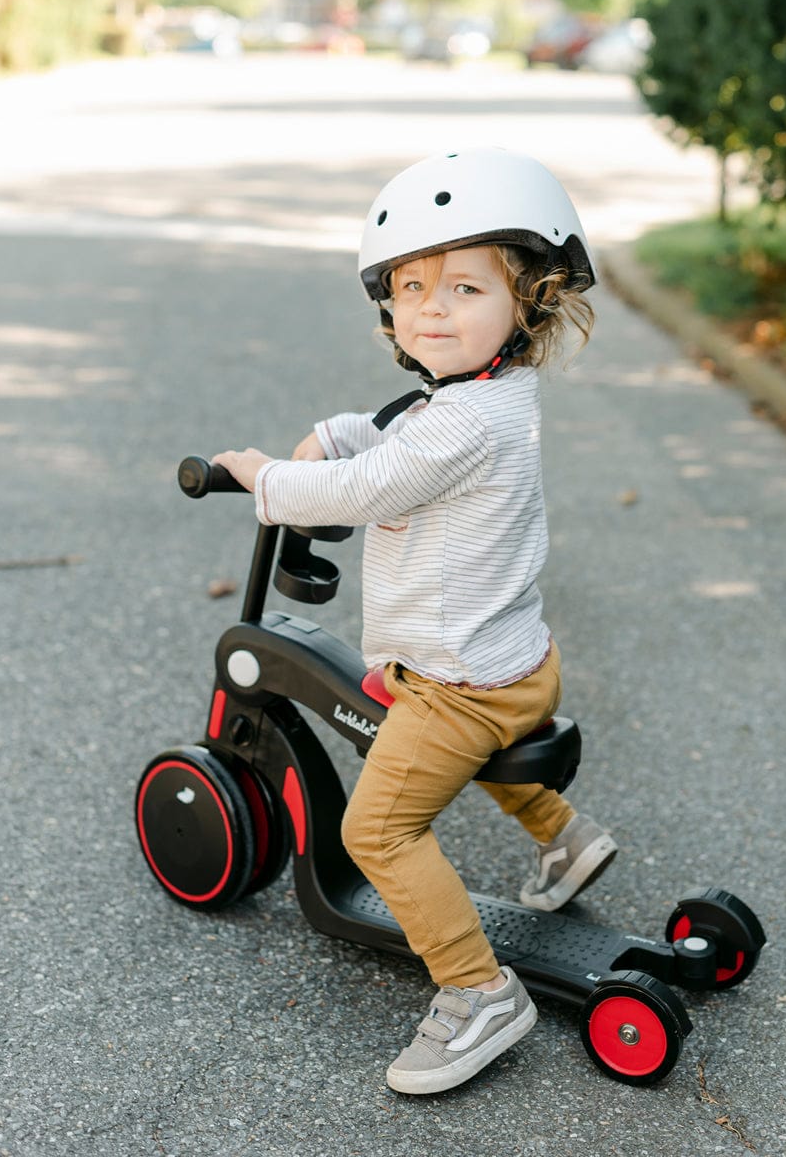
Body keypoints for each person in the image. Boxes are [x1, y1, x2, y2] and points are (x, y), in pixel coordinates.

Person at [212, 148, 617, 1095]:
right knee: (440, 741)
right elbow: (396, 435)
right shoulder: (487, 396)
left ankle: (477, 994)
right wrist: (340, 428)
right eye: (410, 287)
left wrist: (263, 475)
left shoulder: (465, 424)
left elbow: (368, 485)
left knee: (379, 830)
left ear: (530, 301)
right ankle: (565, 837)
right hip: (515, 665)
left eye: (465, 286)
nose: (431, 307)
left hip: (462, 684)